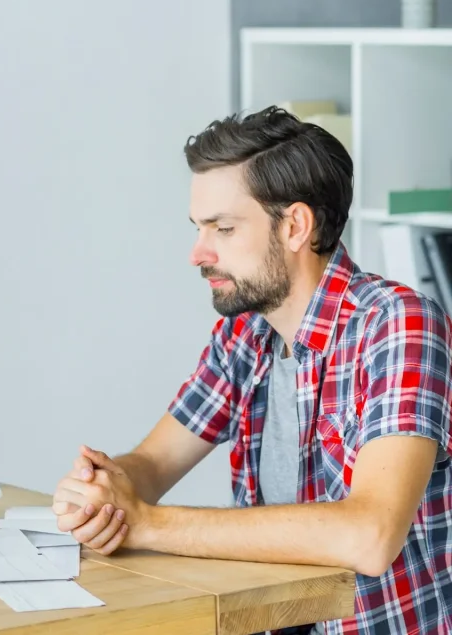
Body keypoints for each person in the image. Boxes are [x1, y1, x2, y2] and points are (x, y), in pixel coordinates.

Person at [53, 106, 452, 634]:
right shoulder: (245, 333)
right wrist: (105, 491)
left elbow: (371, 536)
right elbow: (153, 462)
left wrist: (149, 524)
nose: (199, 253)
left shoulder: (399, 325)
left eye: (222, 228)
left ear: (295, 226)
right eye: (199, 229)